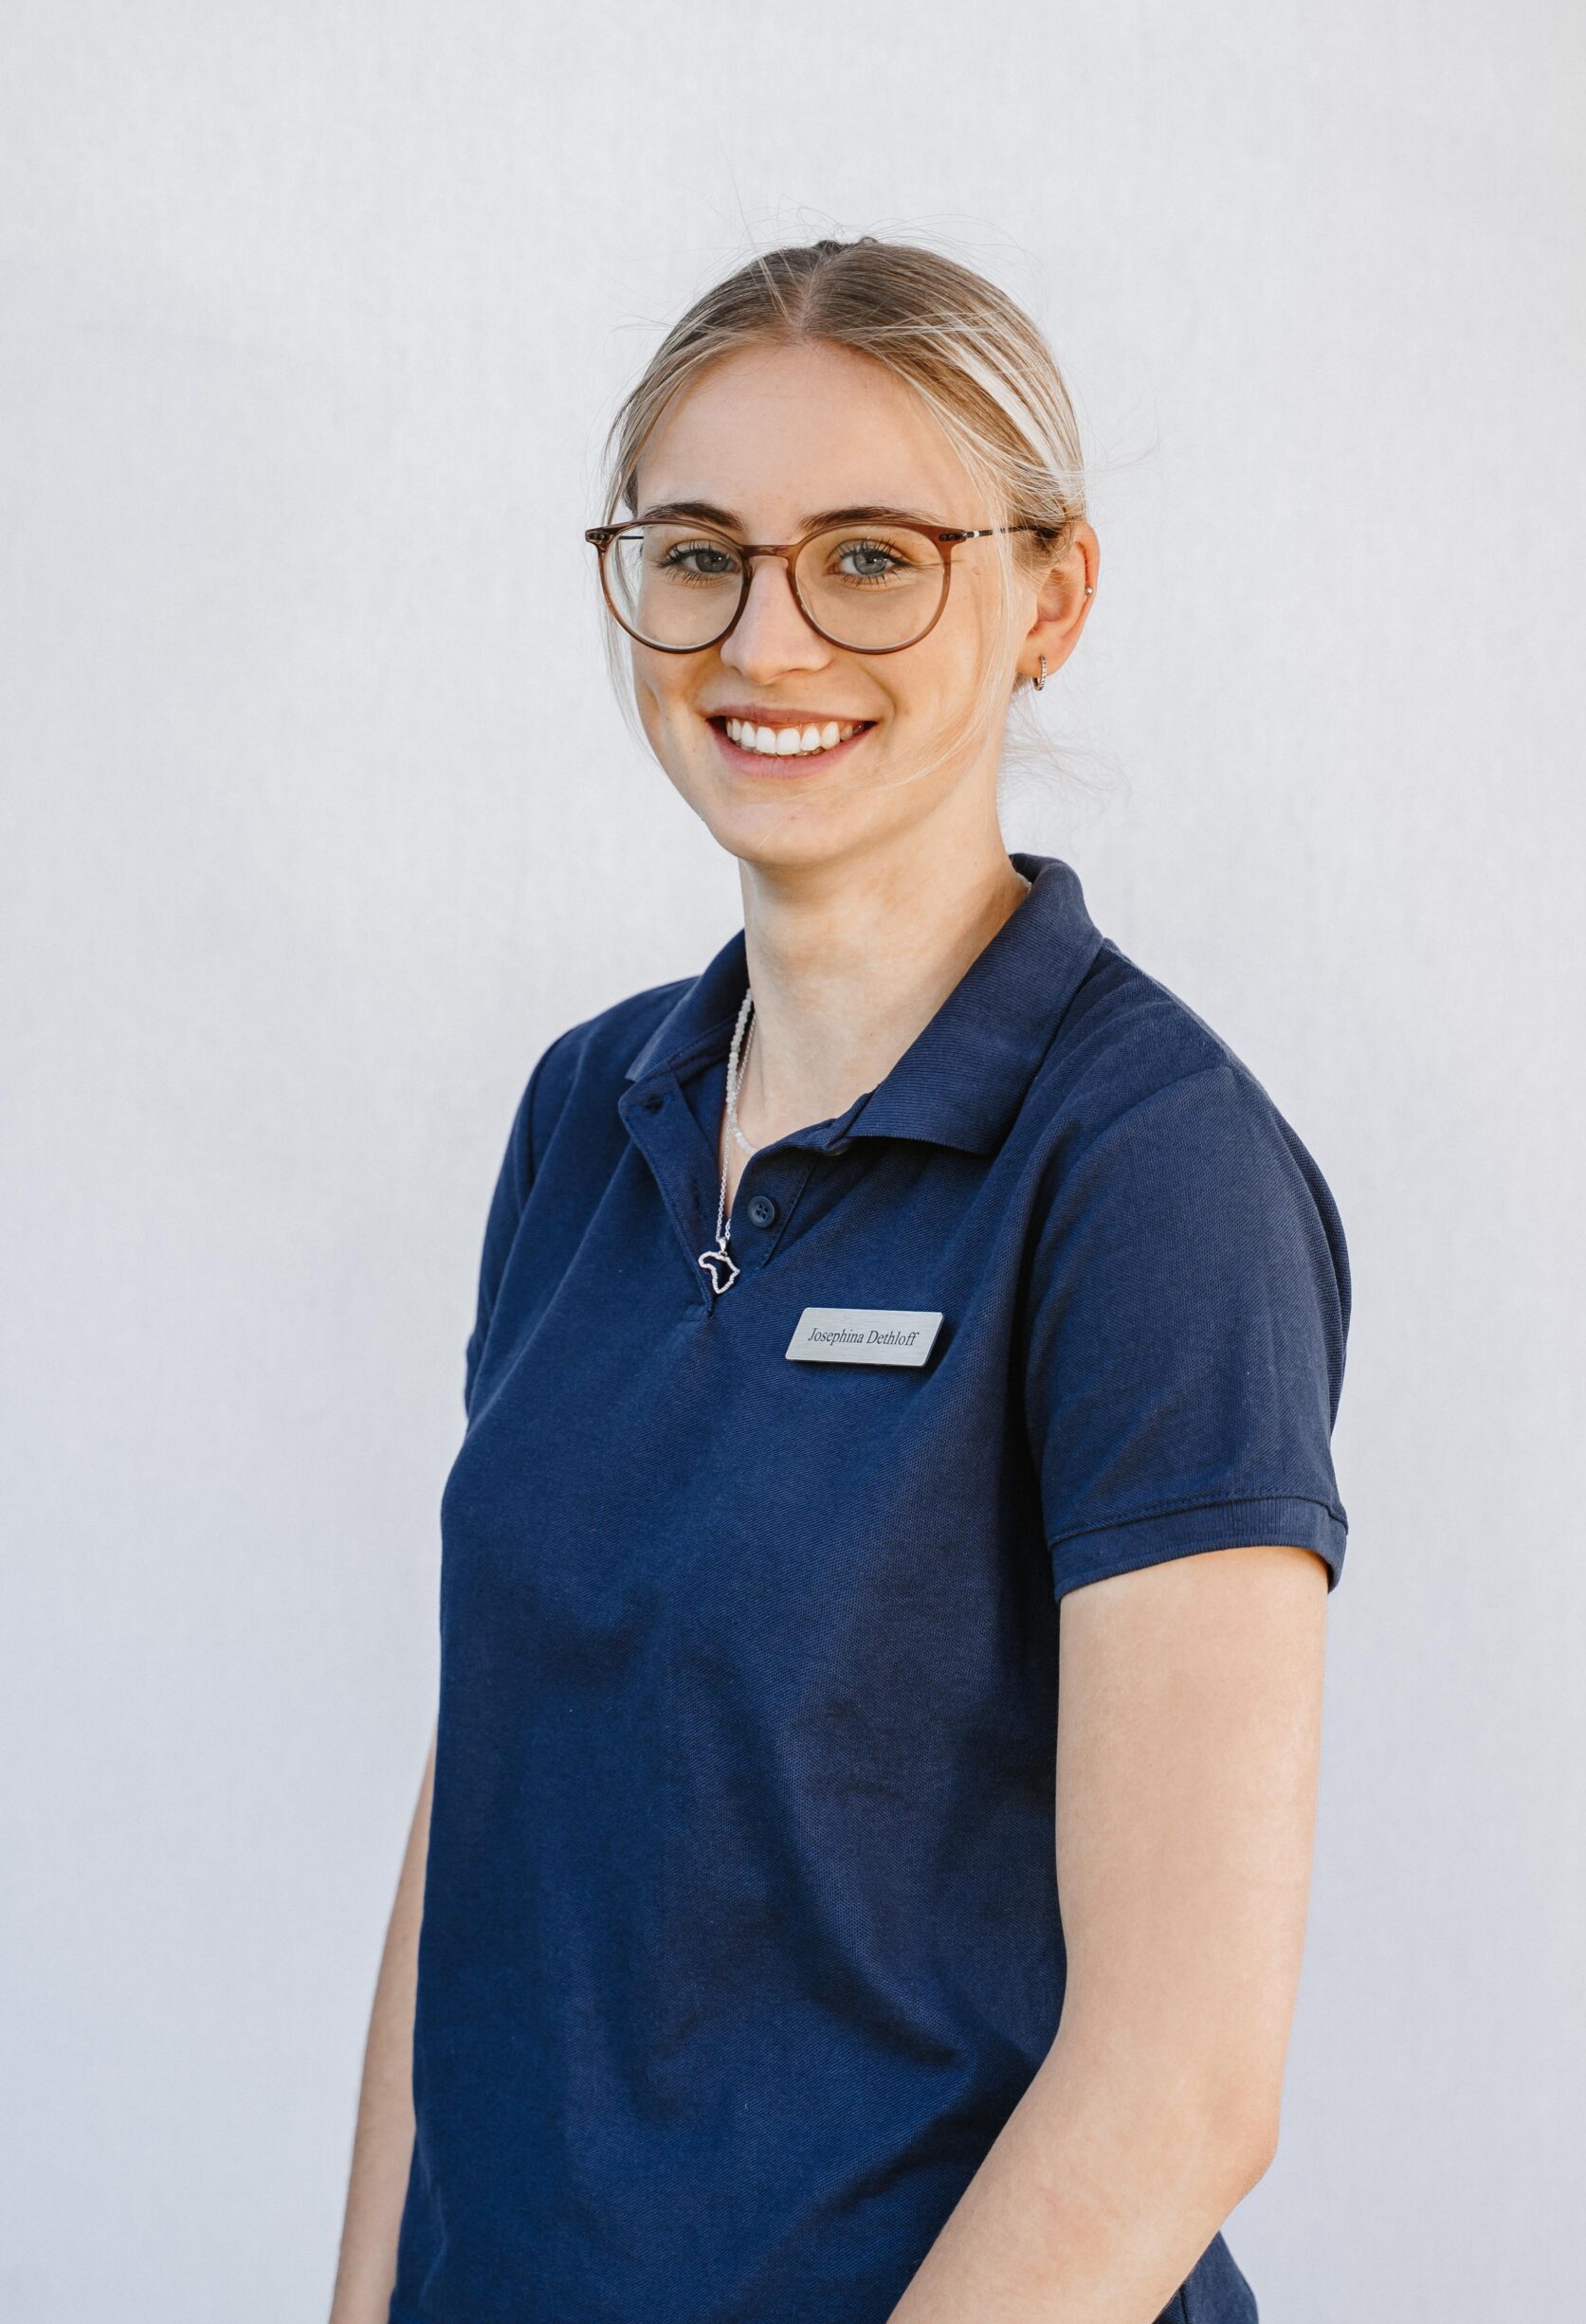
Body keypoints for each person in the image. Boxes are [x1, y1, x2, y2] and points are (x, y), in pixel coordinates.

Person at [329, 236, 1352, 2324]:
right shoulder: (586, 1112)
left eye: (870, 558)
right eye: (699, 554)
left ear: (1049, 596)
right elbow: (483, 1819)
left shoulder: (1150, 1170)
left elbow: (1181, 2082)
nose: (764, 637)